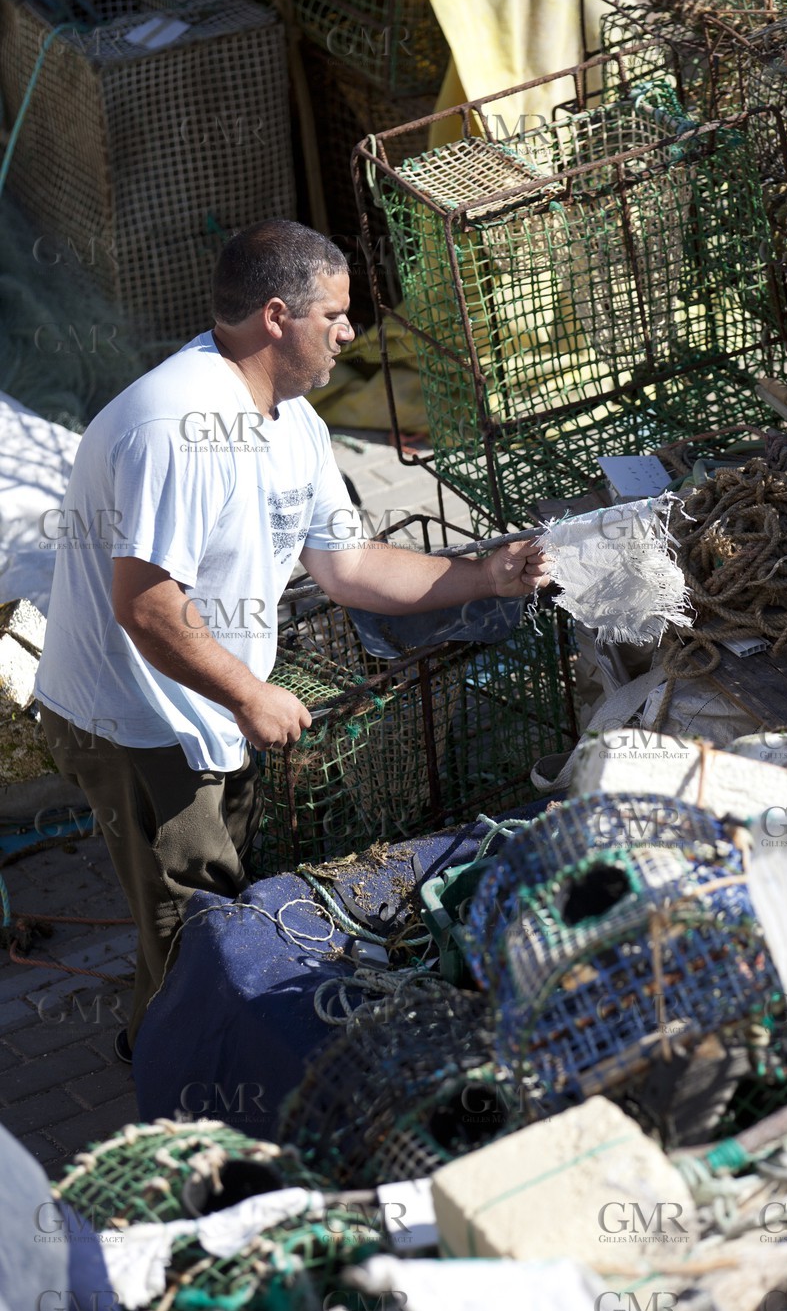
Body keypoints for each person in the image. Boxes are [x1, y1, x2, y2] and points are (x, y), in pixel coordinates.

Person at [35, 220, 547, 1060]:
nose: (352, 332)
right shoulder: (179, 425)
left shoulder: (293, 418)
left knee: (200, 905)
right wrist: (249, 693)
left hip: (208, 709)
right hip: (137, 721)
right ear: (277, 317)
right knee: (195, 929)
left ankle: (172, 1039)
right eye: (335, 316)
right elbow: (149, 607)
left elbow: (346, 567)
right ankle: (173, 1081)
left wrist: (487, 575)